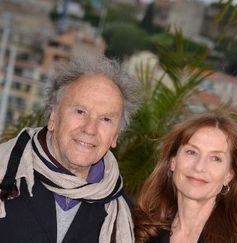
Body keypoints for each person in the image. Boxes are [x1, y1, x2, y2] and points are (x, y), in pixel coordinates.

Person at [0, 55, 142, 243]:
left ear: (115, 136)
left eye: (106, 119)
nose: (90, 128)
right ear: (53, 117)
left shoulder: (127, 216)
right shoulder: (5, 173)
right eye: (80, 111)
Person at [134, 113, 237, 243]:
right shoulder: (138, 230)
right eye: (191, 152)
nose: (199, 167)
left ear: (229, 175)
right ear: (172, 161)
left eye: (215, 158)